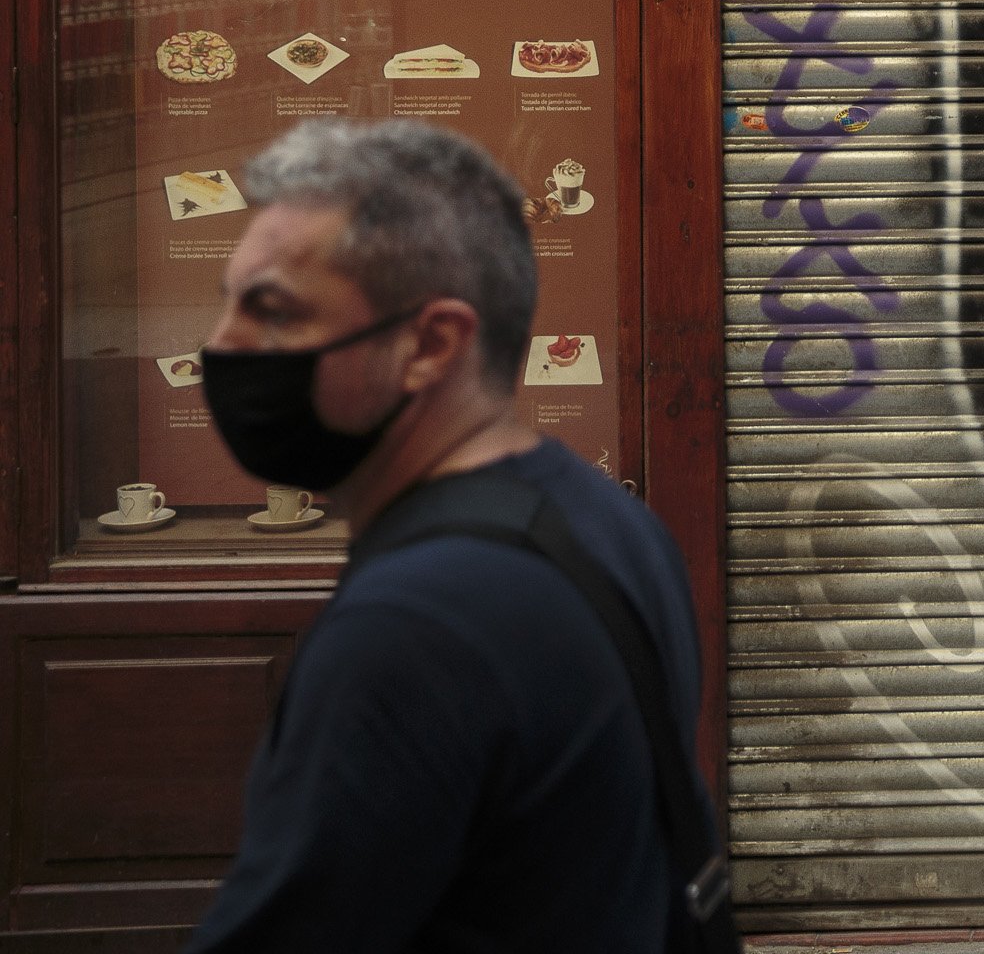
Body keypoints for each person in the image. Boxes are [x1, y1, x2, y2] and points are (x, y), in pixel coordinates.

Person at [185, 119, 717, 953]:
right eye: (226, 302)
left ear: (431, 344)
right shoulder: (611, 521)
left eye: (271, 310)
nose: (223, 345)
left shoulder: (413, 624)